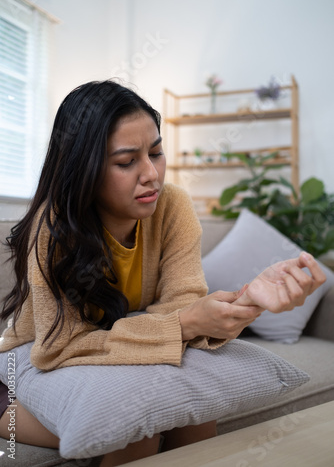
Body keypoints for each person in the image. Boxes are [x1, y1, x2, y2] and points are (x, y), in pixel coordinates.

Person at [0, 80, 326, 466]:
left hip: (102, 347)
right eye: (126, 162)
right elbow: (62, 344)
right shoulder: (53, 228)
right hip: (25, 362)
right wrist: (181, 324)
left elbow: (183, 304)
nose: (151, 174)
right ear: (83, 168)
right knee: (140, 424)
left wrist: (247, 301)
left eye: (156, 153)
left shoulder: (173, 207)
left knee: (191, 414)